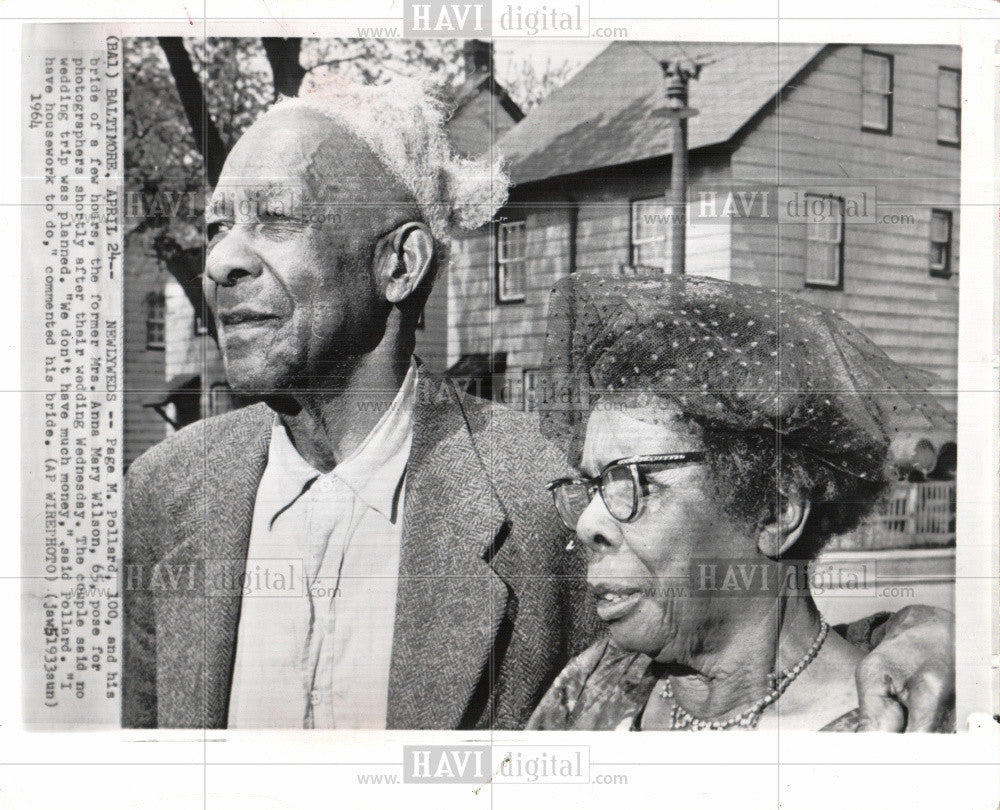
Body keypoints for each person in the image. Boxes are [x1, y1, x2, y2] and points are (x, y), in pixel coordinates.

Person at [123, 78, 954, 731]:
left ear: (401, 266)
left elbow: (737, 643)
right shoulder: (167, 490)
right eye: (217, 225)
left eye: (274, 219)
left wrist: (930, 636)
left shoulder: (547, 496)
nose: (222, 260)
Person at [528, 272, 956, 731]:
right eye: (592, 485)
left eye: (629, 479)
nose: (587, 522)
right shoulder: (589, 686)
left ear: (776, 512)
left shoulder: (896, 729)